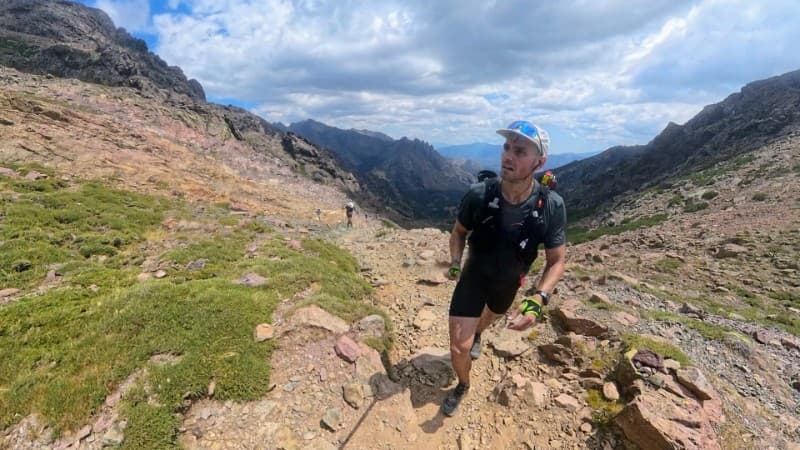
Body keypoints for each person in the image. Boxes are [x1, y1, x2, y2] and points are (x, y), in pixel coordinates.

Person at [442, 120, 567, 416]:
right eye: (506, 147)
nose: (508, 156)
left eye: (520, 151)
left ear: (540, 162)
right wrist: (456, 262)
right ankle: (463, 383)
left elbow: (557, 261)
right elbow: (459, 231)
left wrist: (538, 299)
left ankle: (479, 334)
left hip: (509, 283)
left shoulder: (551, 206)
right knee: (459, 347)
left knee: (488, 318)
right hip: (473, 276)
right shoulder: (479, 194)